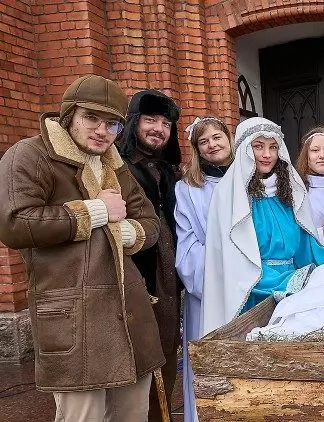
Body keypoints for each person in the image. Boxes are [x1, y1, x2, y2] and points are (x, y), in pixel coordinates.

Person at [0, 75, 164, 421]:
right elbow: (14, 224)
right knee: (83, 416)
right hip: (76, 316)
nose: (102, 131)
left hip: (128, 314)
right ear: (69, 115)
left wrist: (128, 232)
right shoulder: (30, 155)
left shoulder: (114, 166)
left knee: (132, 414)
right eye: (92, 118)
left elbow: (151, 223)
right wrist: (95, 211)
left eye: (113, 124)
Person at [200, 117, 324, 336]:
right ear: (245, 149)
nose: (267, 155)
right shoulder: (230, 195)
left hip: (292, 295)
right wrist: (288, 283)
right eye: (258, 146)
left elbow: (305, 246)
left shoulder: (289, 191)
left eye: (273, 147)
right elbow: (237, 262)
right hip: (253, 295)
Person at [116, 88, 182, 421]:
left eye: (165, 123)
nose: (158, 128)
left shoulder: (169, 171)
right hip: (134, 278)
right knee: (136, 364)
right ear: (133, 122)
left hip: (168, 280)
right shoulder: (116, 166)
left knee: (166, 356)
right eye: (150, 120)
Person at [174, 116, 234, 422]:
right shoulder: (187, 189)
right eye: (203, 141)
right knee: (208, 366)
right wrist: (222, 272)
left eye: (217, 137)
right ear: (197, 149)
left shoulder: (248, 178)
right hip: (208, 289)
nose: (212, 145)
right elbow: (186, 245)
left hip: (251, 288)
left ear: (229, 138)